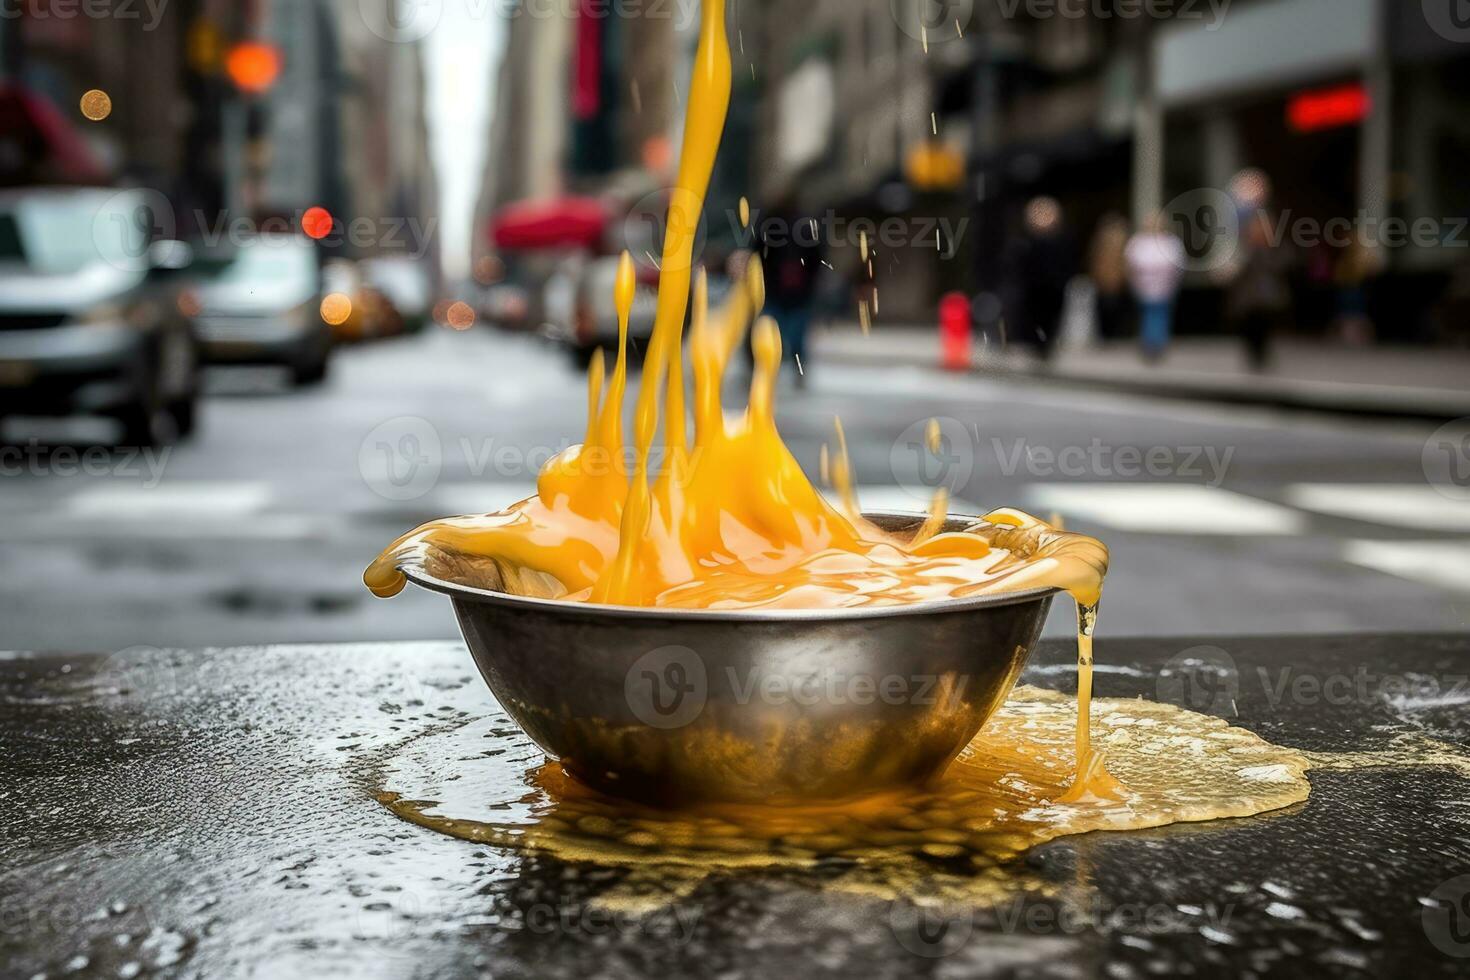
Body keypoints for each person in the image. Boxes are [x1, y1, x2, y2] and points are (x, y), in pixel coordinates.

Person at [758, 195, 823, 387]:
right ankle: (796, 370)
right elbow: (816, 257)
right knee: (794, 336)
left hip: (779, 290)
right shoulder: (805, 226)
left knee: (772, 331)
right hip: (795, 292)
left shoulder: (770, 225)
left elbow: (759, 252)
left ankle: (769, 370)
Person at [1004, 196, 1078, 363]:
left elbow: (1068, 263)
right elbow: (1017, 268)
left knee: (1050, 319)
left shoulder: (1062, 240)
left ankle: (1045, 346)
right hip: (1033, 290)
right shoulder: (1024, 243)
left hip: (1054, 288)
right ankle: (1037, 345)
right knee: (1035, 318)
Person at [1124, 212, 1186, 361]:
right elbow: (1130, 264)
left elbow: (1178, 265)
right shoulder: (1138, 242)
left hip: (1165, 288)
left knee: (1159, 315)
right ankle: (1149, 343)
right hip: (1144, 288)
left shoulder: (1171, 243)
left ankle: (1157, 344)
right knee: (1149, 315)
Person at [1088, 213, 1130, 341]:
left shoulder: (1124, 245)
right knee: (1107, 314)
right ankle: (1109, 336)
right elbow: (1093, 263)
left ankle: (1113, 336)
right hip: (1105, 285)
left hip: (1117, 286)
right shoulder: (1099, 245)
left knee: (1114, 314)